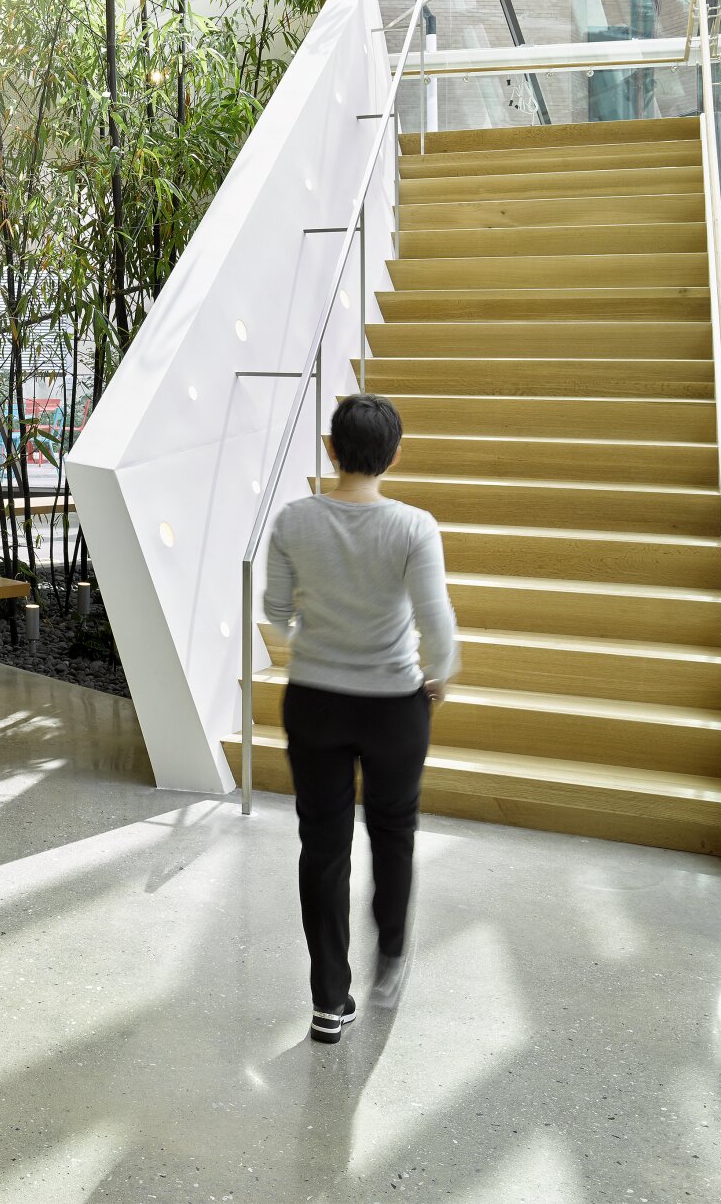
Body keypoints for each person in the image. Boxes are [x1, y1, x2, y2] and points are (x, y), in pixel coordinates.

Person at [260, 392, 457, 1046]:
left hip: (314, 698)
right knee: (394, 832)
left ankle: (328, 1000)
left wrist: (319, 634)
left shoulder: (293, 521)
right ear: (395, 455)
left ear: (331, 449)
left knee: (323, 846)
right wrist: (439, 677)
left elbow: (277, 613)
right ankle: (392, 959)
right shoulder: (413, 527)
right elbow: (437, 624)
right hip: (396, 705)